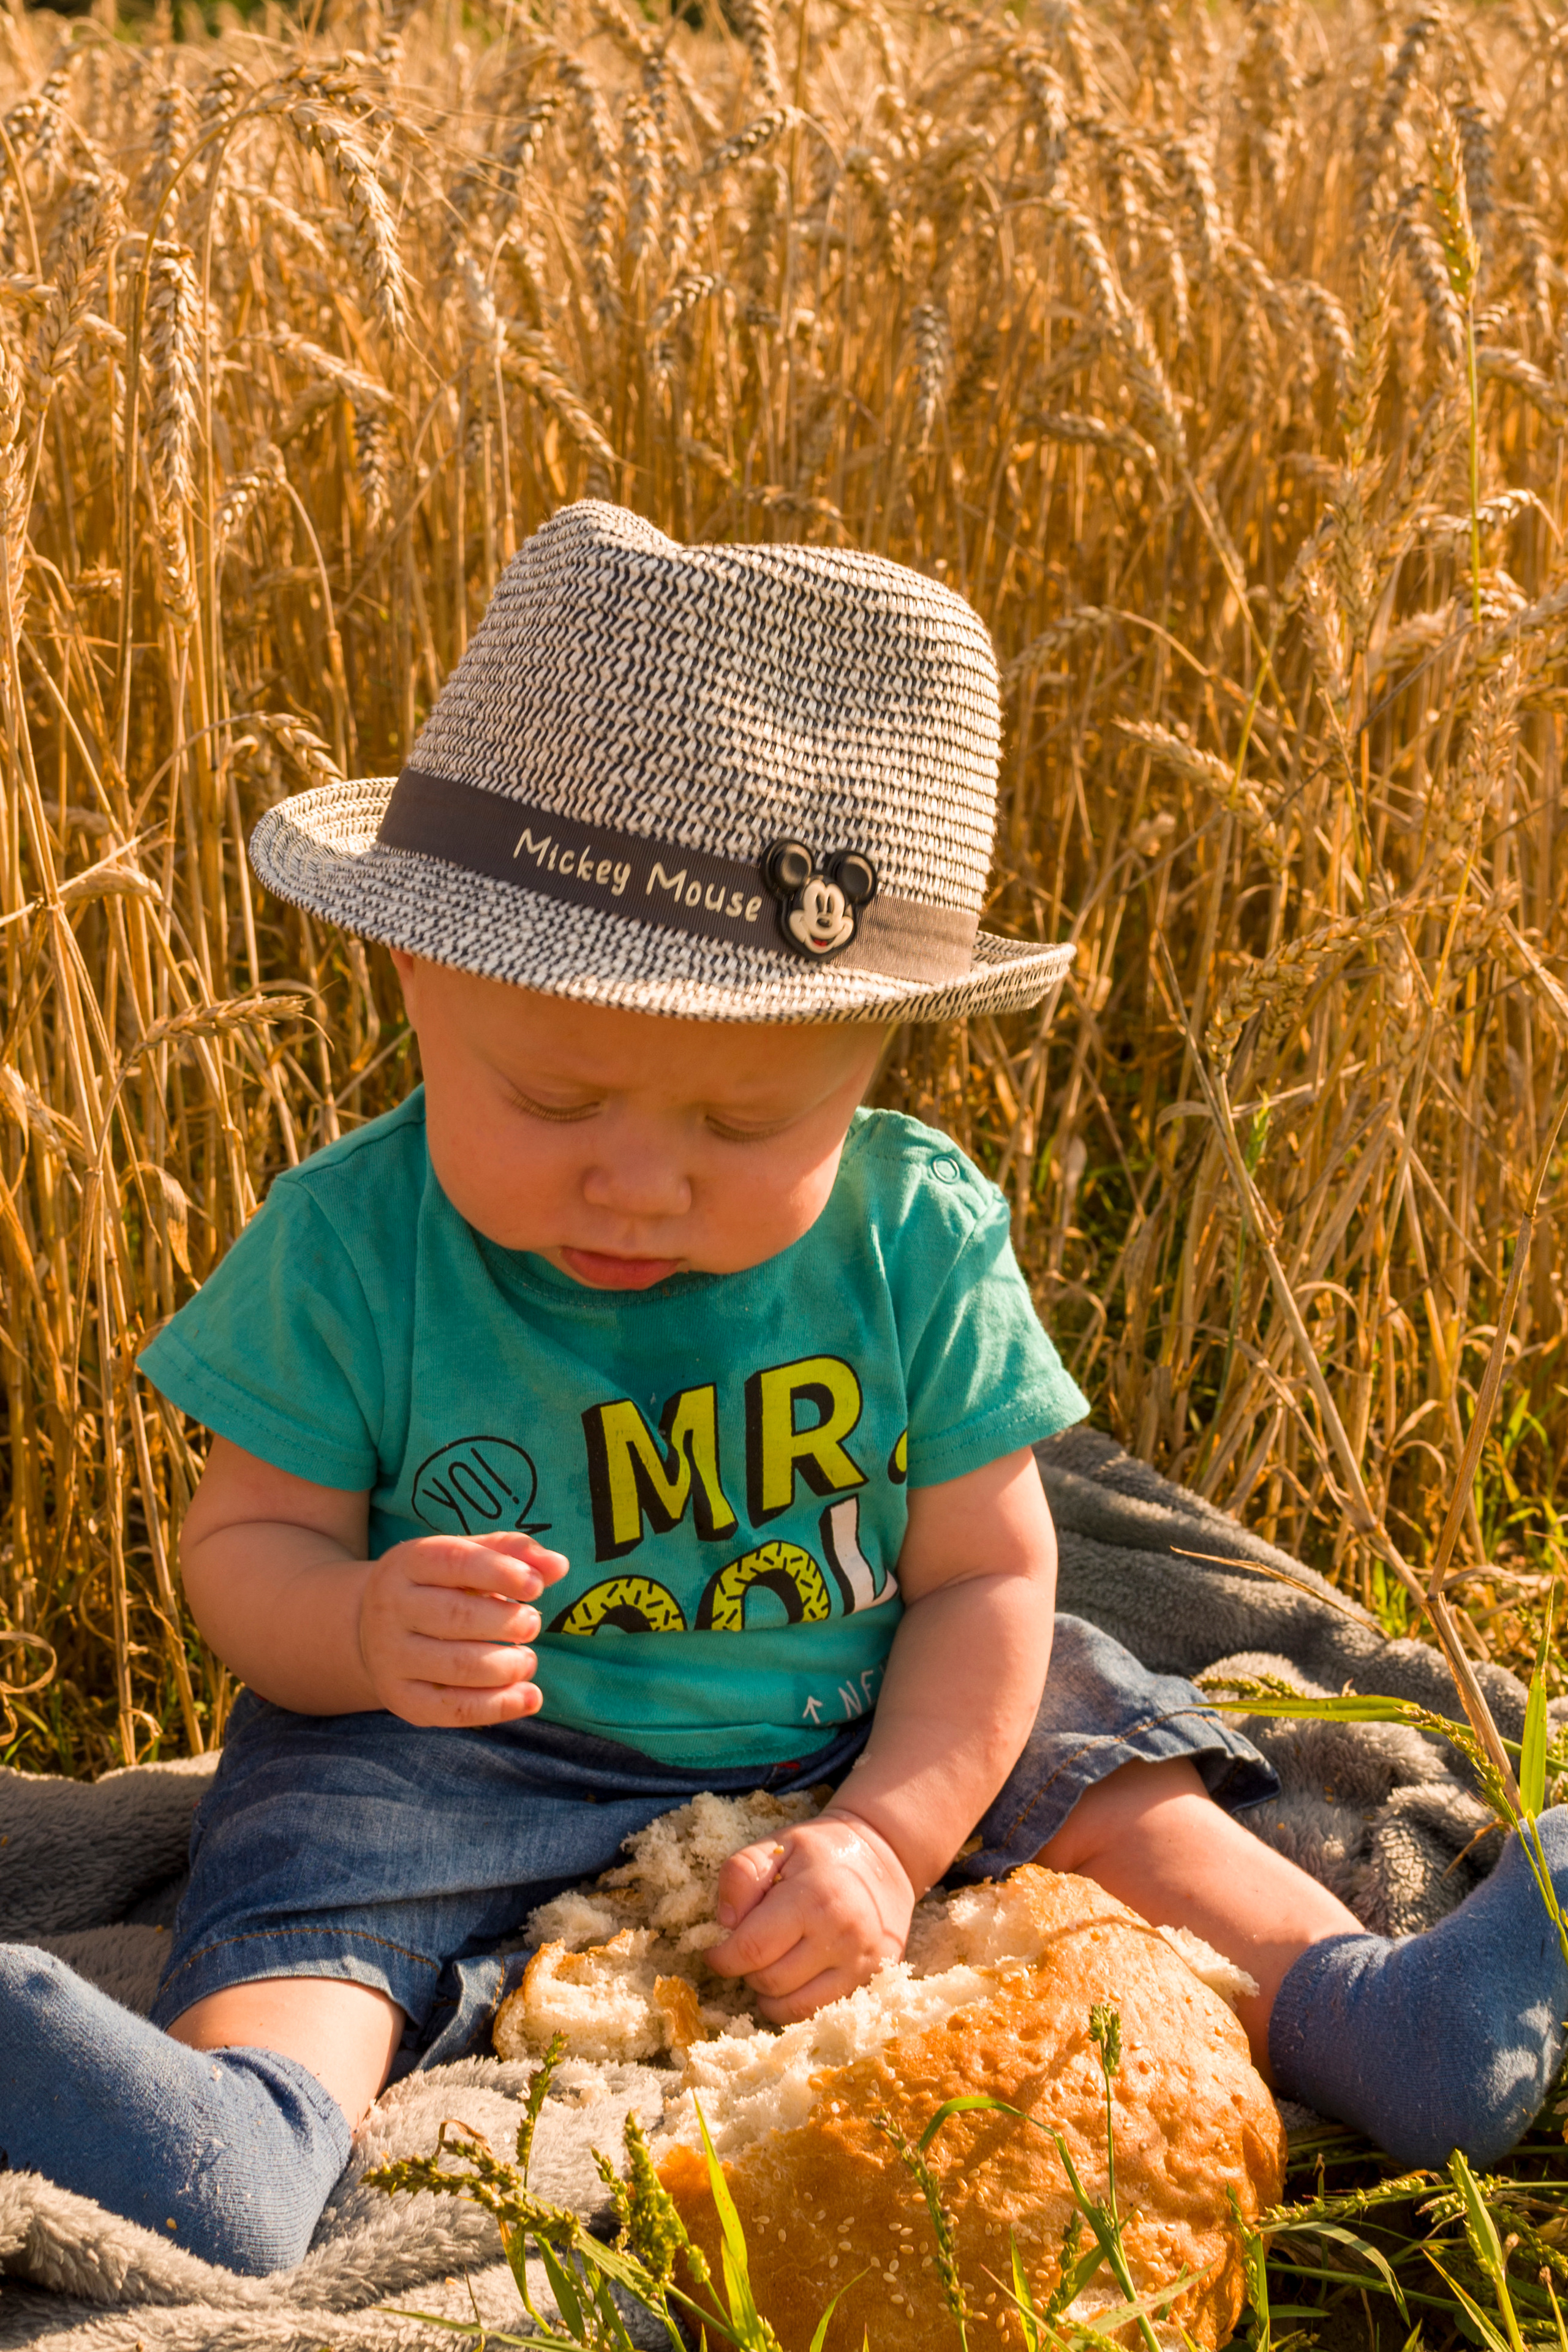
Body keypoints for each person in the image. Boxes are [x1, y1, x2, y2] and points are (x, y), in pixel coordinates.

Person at [4, 502, 1565, 2275]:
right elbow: (244, 1543)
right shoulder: (353, 1245)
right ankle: (237, 2131)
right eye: (557, 1103)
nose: (642, 1183)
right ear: (414, 976)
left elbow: (983, 1574)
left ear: (874, 1060)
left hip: (858, 1715)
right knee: (321, 1850)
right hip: (459, 1745)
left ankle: (1377, 2015)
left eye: (748, 1127)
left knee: (1090, 1726)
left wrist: (895, 1842)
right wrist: (357, 1628)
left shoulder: (914, 1231)